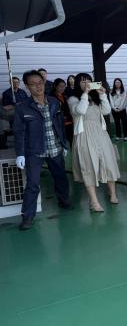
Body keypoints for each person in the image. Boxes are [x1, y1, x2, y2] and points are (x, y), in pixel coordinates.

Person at [13, 70, 73, 230]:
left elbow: (59, 125)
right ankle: (28, 216)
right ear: (27, 87)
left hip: (55, 147)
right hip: (35, 151)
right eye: (33, 84)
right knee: (33, 184)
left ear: (44, 83)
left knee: (60, 177)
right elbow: (19, 132)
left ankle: (64, 200)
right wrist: (20, 154)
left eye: (40, 83)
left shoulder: (54, 102)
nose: (38, 87)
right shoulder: (22, 108)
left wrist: (64, 144)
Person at [68, 73, 121, 212]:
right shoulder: (73, 99)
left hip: (100, 134)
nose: (86, 84)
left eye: (89, 81)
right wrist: (85, 93)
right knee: (89, 166)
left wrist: (102, 95)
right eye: (82, 81)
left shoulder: (96, 98)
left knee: (109, 162)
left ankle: (113, 194)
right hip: (84, 135)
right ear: (77, 84)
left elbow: (106, 111)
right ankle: (94, 201)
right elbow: (80, 110)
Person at [51, 78, 74, 146]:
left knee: (71, 140)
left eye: (64, 86)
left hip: (69, 122)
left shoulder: (65, 95)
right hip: (59, 123)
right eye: (60, 86)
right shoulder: (51, 97)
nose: (62, 88)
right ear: (55, 86)